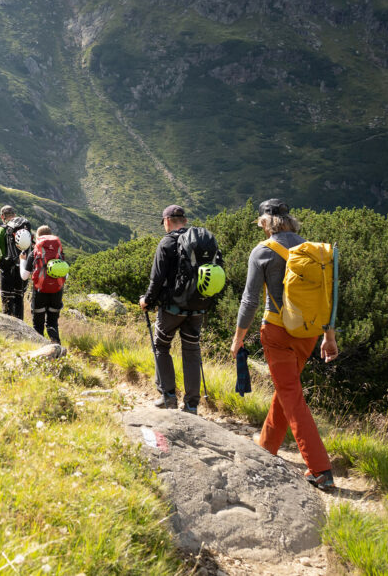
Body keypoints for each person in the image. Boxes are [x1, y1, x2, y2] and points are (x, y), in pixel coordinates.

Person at [229, 199, 339, 490]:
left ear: (265, 222)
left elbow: (250, 300)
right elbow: (330, 296)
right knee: (286, 388)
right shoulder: (314, 250)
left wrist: (238, 338)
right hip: (309, 332)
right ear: (290, 220)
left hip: (277, 331)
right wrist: (329, 336)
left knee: (290, 392)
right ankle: (267, 445)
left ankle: (320, 469)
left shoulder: (263, 251)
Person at [139, 205, 207, 414]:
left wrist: (147, 301)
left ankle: (168, 396)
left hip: (172, 308)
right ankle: (191, 404)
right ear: (184, 221)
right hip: (198, 307)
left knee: (161, 346)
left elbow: (156, 279)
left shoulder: (167, 242)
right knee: (192, 351)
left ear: (167, 221)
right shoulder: (202, 240)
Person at [21, 225, 65, 344]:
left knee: (38, 324)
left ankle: (40, 349)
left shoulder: (35, 252)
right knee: (52, 323)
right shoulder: (59, 252)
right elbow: (66, 274)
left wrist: (22, 261)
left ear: (38, 237)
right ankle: (57, 348)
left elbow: (24, 276)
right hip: (56, 291)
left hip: (40, 291)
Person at [0, 205, 31, 319]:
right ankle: (20, 325)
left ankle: (8, 326)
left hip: (7, 269)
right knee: (19, 298)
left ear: (2, 217)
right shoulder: (24, 229)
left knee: (7, 298)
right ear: (14, 215)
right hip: (22, 268)